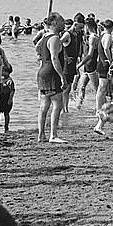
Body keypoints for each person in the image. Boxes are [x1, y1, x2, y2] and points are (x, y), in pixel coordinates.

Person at [35, 13, 67, 143]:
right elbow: (54, 58)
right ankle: (53, 135)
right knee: (57, 104)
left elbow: (38, 52)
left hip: (42, 72)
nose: (63, 23)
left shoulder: (43, 38)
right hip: (51, 73)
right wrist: (62, 76)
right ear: (54, 23)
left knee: (44, 106)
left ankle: (41, 134)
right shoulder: (54, 38)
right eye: (61, 21)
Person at [76, 17, 102, 110]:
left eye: (84, 27)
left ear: (88, 26)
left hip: (91, 66)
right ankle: (78, 107)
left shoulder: (93, 37)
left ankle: (101, 109)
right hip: (87, 66)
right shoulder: (89, 37)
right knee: (81, 87)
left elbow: (90, 54)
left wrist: (79, 65)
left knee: (97, 90)